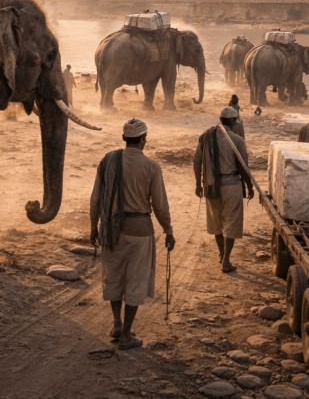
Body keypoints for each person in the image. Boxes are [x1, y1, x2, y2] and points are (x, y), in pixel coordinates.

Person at [90, 118, 175, 350]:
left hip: (111, 231)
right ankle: (126, 334)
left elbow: (96, 199)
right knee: (136, 281)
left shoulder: (108, 161)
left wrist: (93, 228)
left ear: (124, 139)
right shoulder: (151, 167)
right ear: (144, 140)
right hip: (140, 232)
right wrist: (168, 231)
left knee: (114, 277)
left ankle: (117, 324)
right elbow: (160, 206)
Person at [194, 107, 253, 273]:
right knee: (231, 224)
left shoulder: (206, 136)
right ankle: (226, 259)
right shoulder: (237, 140)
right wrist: (249, 186)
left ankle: (221, 255)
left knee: (217, 223)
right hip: (232, 186)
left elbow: (197, 162)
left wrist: (198, 184)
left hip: (211, 186)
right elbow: (243, 167)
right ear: (233, 121)